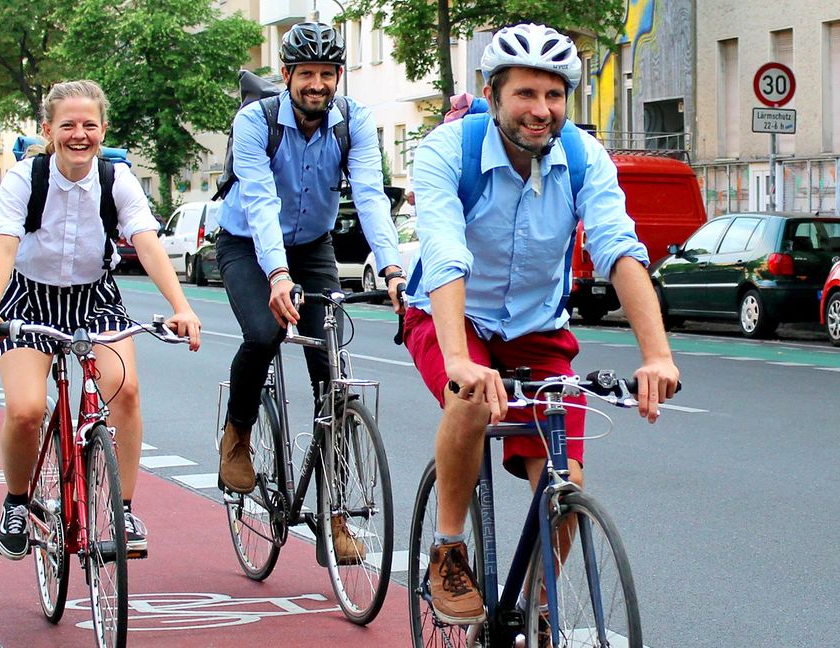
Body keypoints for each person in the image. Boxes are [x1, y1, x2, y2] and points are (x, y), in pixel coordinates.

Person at [401, 24, 681, 624]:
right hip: (452, 313)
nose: (541, 110)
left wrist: (657, 355)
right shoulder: (447, 151)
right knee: (470, 399)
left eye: (553, 96)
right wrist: (459, 360)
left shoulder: (583, 156)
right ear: (492, 93)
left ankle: (535, 608)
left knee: (563, 486)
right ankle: (448, 550)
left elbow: (619, 249)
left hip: (535, 326)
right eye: (526, 93)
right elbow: (447, 253)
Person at [0, 80, 203, 561]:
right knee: (27, 410)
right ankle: (16, 502)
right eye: (68, 125)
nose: (80, 134)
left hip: (95, 300)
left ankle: (125, 508)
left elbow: (145, 241)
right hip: (28, 302)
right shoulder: (24, 179)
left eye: (89, 125)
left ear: (103, 129)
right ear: (48, 129)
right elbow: (5, 245)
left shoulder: (117, 180)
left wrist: (182, 306)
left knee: (126, 389)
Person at [214, 21, 406, 564]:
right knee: (264, 332)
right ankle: (238, 433)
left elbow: (369, 194)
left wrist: (390, 266)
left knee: (332, 379)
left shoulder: (354, 124)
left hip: (314, 245)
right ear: (286, 76)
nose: (317, 84)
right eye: (307, 74)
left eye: (327, 74)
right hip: (248, 243)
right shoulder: (255, 122)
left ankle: (335, 516)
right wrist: (276, 274)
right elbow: (258, 201)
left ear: (338, 77)